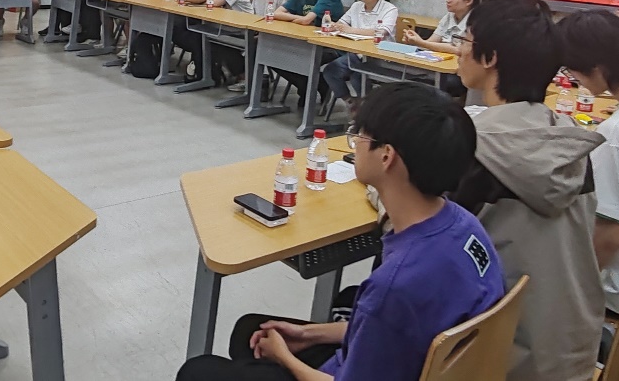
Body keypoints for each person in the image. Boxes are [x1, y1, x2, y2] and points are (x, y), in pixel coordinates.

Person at [177, 82, 505, 381]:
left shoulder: (395, 286)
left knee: (198, 371)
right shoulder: (465, 225)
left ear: (386, 157)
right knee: (249, 330)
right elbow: (390, 332)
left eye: (360, 136)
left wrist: (284, 358)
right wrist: (309, 334)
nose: (355, 143)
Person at [450, 0, 602, 381]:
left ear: (490, 58)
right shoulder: (572, 142)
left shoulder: (471, 146)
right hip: (575, 350)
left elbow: (416, 223)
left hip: (506, 358)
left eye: (464, 40)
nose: (458, 50)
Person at [558, 10, 619, 316]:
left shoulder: (611, 134)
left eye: (571, 70)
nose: (572, 78)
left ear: (595, 68)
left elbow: (608, 235)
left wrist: (576, 293)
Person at [323, 0, 399, 107]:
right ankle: (351, 103)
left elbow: (380, 32)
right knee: (331, 71)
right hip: (357, 54)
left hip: (380, 57)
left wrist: (351, 30)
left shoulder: (389, 9)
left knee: (357, 76)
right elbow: (342, 23)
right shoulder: (356, 6)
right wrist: (334, 26)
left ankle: (367, 108)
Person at [402, 0, 483, 55]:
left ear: (468, 1)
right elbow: (431, 42)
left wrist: (421, 42)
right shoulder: (449, 16)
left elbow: (459, 50)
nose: (447, 0)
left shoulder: (478, 21)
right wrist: (415, 40)